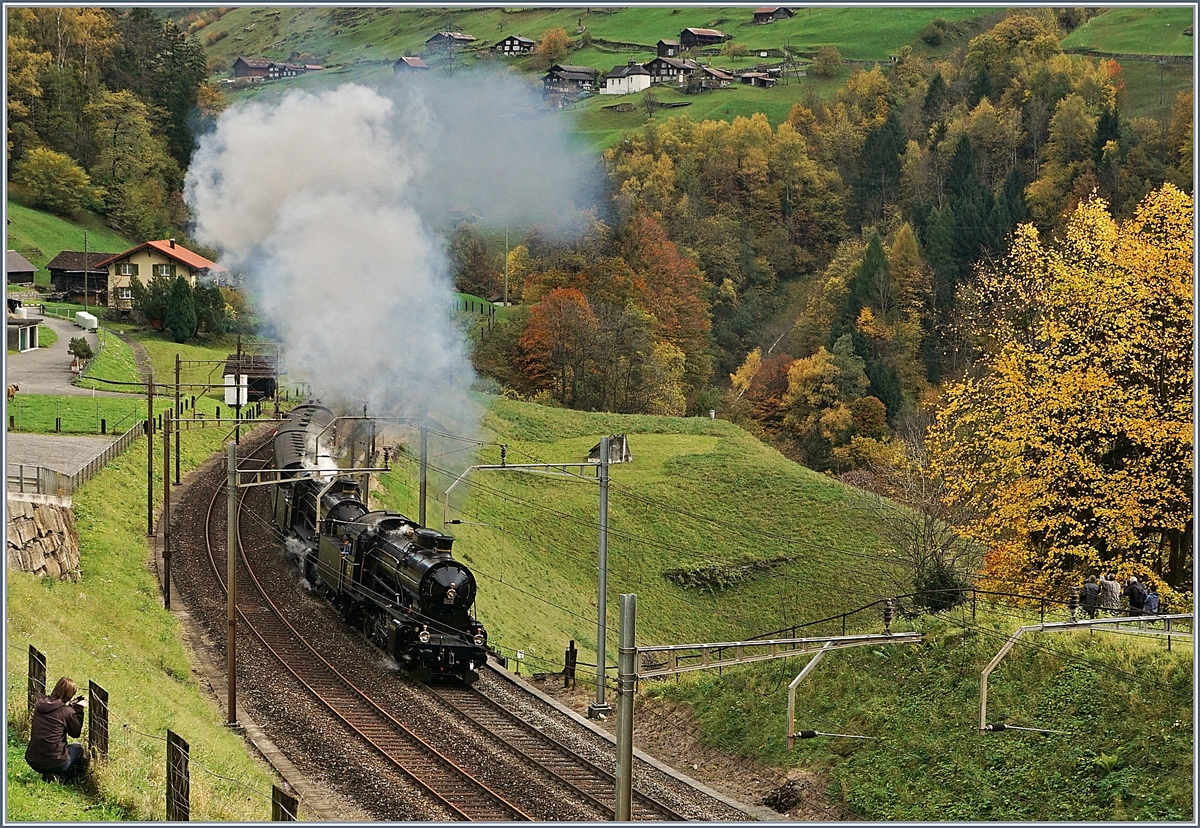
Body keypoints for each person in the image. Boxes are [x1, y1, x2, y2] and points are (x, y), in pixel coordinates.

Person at [25, 677, 87, 783]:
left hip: (33, 759)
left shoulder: (40, 704)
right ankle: (63, 777)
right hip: (56, 761)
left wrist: (70, 707)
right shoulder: (66, 712)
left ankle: (50, 774)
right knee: (78, 748)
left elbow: (57, 712)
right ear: (70, 694)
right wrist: (78, 709)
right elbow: (75, 733)